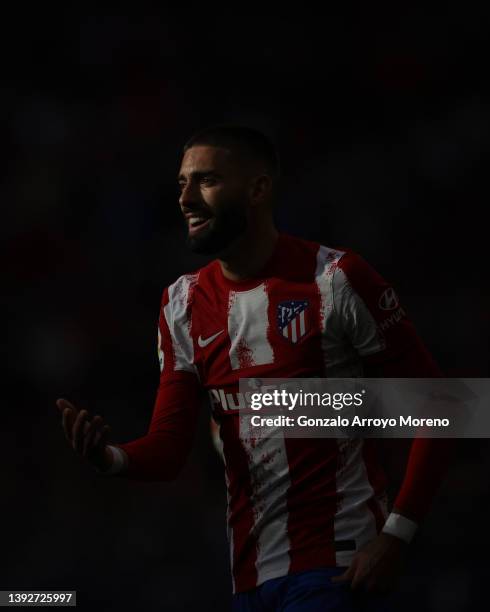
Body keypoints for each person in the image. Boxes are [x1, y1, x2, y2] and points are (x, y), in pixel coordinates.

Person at [57, 125, 452, 611]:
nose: (186, 198)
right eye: (182, 183)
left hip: (338, 567)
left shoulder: (336, 280)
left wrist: (396, 536)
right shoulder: (181, 303)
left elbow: (445, 407)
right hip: (249, 579)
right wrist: (110, 457)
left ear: (258, 189)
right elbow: (168, 447)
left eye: (206, 181)